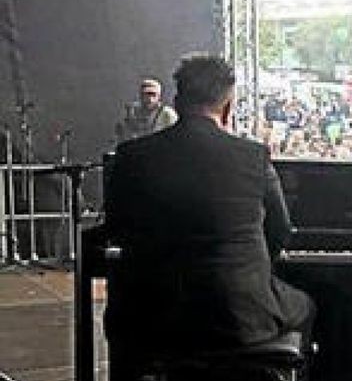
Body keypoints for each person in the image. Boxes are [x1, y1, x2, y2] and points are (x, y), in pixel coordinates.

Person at [105, 55, 315, 351]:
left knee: (125, 320)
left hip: (155, 316)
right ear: (227, 108)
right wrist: (246, 267)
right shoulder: (253, 156)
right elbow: (281, 230)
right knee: (306, 305)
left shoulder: (132, 156)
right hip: (240, 313)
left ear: (176, 103)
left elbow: (117, 229)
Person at [115, 77, 178, 143]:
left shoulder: (168, 115)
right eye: (146, 95)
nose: (150, 99)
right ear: (141, 95)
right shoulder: (131, 112)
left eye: (153, 95)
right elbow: (121, 135)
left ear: (159, 96)